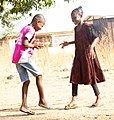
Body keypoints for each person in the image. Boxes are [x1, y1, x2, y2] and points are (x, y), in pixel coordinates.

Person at [60, 6, 106, 110]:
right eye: (72, 18)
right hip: (78, 55)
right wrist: (68, 43)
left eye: (75, 17)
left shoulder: (87, 26)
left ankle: (98, 97)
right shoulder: (76, 29)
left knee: (91, 75)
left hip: (88, 55)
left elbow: (96, 38)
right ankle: (74, 100)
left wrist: (91, 48)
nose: (73, 20)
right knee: (74, 77)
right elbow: (79, 40)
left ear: (80, 16)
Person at [12, 14, 50, 115]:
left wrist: (34, 45)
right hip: (23, 57)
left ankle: (24, 105)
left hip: (17, 57)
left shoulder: (26, 27)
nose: (41, 28)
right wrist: (34, 45)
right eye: (41, 26)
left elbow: (24, 41)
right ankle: (42, 100)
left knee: (26, 81)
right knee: (39, 75)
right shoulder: (31, 30)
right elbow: (25, 43)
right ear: (37, 23)